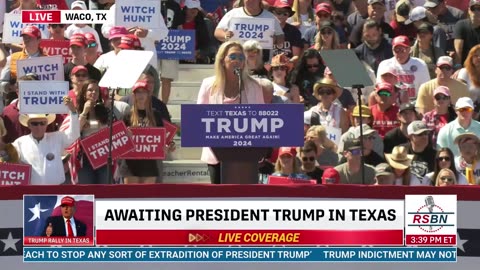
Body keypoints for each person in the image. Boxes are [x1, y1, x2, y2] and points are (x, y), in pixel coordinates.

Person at [197, 41, 265, 184]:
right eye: (232, 57)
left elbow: (262, 119)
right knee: (219, 197)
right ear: (222, 60)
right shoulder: (208, 85)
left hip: (246, 153)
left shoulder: (254, 86)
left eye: (241, 58)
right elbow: (199, 118)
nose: (237, 61)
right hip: (217, 153)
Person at [13, 97, 79, 185]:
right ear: (28, 125)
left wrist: (73, 112)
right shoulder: (19, 143)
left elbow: (74, 134)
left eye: (42, 123)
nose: (39, 127)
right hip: (31, 193)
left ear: (47, 125)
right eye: (35, 123)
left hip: (56, 190)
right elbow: (9, 161)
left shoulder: (57, 138)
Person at [118, 81, 173, 184]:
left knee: (147, 198)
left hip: (150, 164)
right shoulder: (127, 115)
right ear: (133, 95)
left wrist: (166, 147)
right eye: (138, 92)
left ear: (148, 94)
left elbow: (163, 139)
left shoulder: (156, 115)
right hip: (130, 164)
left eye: (143, 92)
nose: (141, 95)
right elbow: (118, 141)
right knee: (130, 198)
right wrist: (125, 136)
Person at [376, 35, 430, 101]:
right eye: (397, 50)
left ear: (409, 50)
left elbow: (426, 89)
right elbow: (379, 87)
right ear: (392, 51)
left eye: (403, 50)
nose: (400, 54)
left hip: (415, 102)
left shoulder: (420, 64)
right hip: (391, 102)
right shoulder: (384, 65)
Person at [401, 121, 437, 185]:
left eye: (426, 133)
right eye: (420, 134)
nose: (424, 137)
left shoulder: (435, 155)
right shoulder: (401, 152)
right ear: (410, 137)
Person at [453, 0, 480, 65]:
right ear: (469, 10)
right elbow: (458, 51)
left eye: (479, 9)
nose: (476, 12)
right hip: (466, 65)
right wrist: (458, 67)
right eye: (473, 8)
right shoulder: (461, 25)